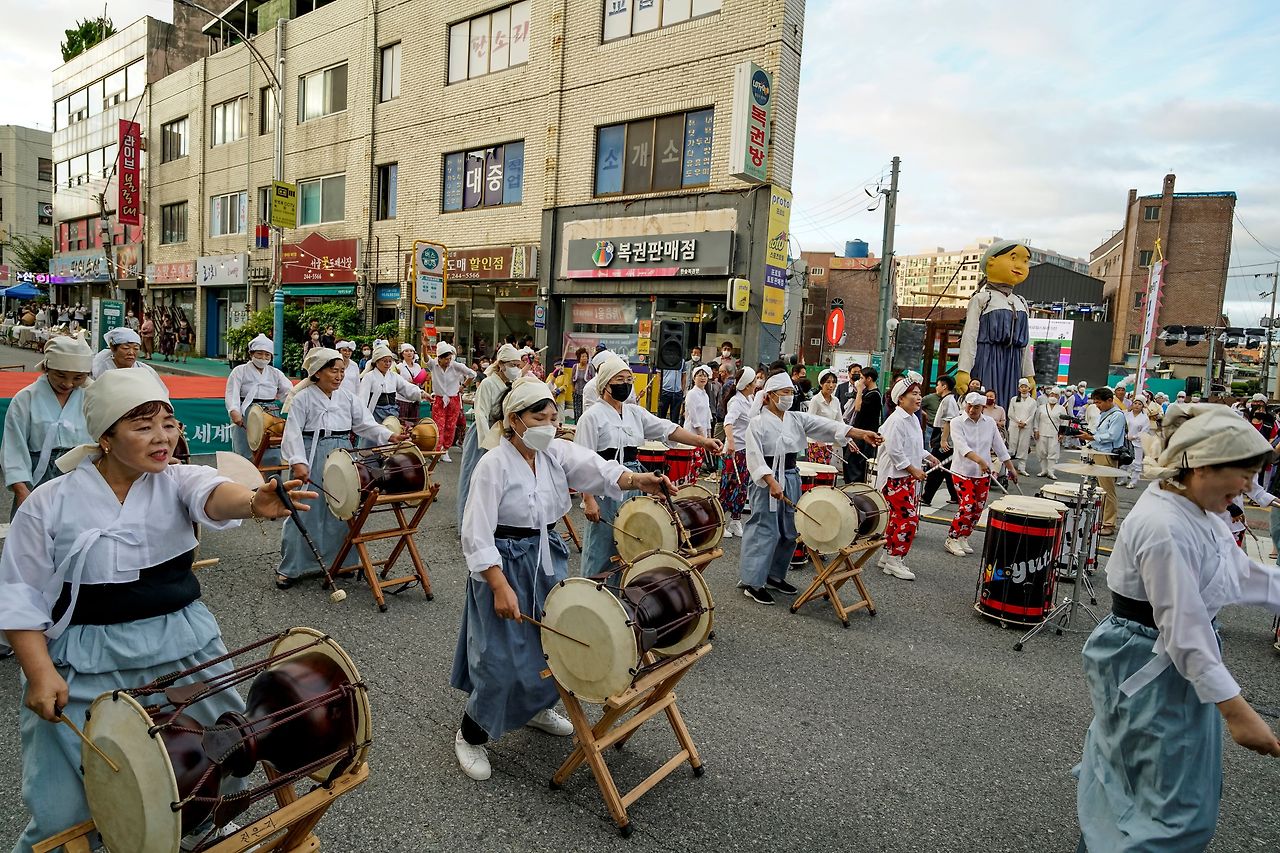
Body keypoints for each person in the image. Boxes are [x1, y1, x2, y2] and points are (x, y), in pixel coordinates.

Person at [0, 369, 314, 852]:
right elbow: (19, 593)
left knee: (222, 749)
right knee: (69, 801)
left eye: (169, 423)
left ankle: (197, 829)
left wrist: (254, 501)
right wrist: (39, 672)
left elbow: (213, 493)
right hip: (86, 654)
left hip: (182, 641)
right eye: (142, 426)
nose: (163, 437)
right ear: (105, 437)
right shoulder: (49, 502)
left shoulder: (177, 480)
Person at [1074, 403, 1280, 852]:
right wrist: (1238, 712)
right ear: (1202, 466)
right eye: (1243, 474)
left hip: (1169, 660)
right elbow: (1183, 627)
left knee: (1135, 781)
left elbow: (1240, 576)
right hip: (1148, 658)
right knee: (1170, 808)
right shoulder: (1164, 523)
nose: (1249, 487)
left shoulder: (1201, 512)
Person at [451, 378, 676, 781]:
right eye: (540, 417)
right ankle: (471, 733)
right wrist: (499, 585)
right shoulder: (493, 464)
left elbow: (595, 467)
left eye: (554, 417)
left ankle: (536, 708)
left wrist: (639, 480)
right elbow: (476, 532)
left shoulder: (553, 452)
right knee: (499, 657)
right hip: (503, 564)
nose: (550, 425)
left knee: (550, 643)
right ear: (513, 420)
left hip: (545, 555)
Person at [739, 373, 882, 604]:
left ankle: (775, 576)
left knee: (789, 530)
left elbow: (826, 426)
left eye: (790, 392)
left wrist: (860, 433)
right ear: (770, 396)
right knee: (765, 529)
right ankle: (753, 582)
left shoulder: (796, 419)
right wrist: (771, 481)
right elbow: (754, 457)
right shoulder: (757, 423)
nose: (788, 396)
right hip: (767, 480)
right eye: (783, 392)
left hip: (790, 475)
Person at [574, 355, 721, 578]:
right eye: (619, 379)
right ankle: (595, 593)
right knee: (603, 540)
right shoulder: (591, 417)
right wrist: (588, 500)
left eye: (628, 379)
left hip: (635, 483)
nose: (625, 384)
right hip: (604, 486)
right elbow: (582, 460)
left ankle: (622, 594)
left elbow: (668, 429)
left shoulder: (635, 413)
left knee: (632, 540)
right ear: (605, 384)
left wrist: (703, 442)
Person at [279, 348, 402, 589]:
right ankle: (291, 568)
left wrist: (389, 436)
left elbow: (366, 424)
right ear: (317, 373)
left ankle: (341, 562)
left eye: (341, 371)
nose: (339, 376)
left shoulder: (347, 397)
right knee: (306, 508)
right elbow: (292, 432)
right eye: (333, 371)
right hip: (312, 452)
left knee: (342, 507)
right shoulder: (302, 398)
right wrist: (298, 461)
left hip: (342, 453)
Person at [2, 336, 93, 515]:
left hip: (81, 472)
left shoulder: (91, 397)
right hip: (38, 474)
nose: (68, 384)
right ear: (46, 368)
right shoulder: (26, 398)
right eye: (60, 375)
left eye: (78, 377)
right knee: (32, 533)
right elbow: (14, 448)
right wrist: (21, 489)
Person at [876, 372, 939, 580]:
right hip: (895, 478)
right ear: (900, 398)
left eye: (920, 393)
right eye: (913, 393)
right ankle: (895, 559)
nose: (919, 397)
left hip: (904, 477)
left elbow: (913, 447)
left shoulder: (911, 418)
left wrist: (929, 456)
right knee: (908, 519)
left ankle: (887, 556)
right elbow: (895, 451)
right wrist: (913, 469)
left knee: (896, 519)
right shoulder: (897, 420)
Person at [457, 343, 526, 526]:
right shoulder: (488, 383)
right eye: (513, 365)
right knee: (474, 478)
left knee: (496, 482)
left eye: (518, 365)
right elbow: (481, 413)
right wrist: (487, 444)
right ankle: (467, 523)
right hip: (485, 432)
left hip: (501, 433)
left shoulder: (510, 384)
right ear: (501, 364)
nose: (516, 369)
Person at [943, 392, 1017, 556]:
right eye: (969, 406)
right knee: (967, 504)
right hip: (962, 471)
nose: (971, 410)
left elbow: (999, 446)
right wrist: (981, 461)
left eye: (976, 407)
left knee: (978, 508)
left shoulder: (989, 422)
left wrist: (1010, 468)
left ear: (983, 407)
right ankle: (952, 537)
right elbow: (962, 447)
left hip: (983, 474)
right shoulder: (957, 422)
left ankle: (964, 535)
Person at [225, 334, 293, 462]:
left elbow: (288, 393)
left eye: (267, 355)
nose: (263, 358)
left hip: (270, 412)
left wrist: (294, 408)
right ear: (251, 354)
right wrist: (234, 410)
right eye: (259, 354)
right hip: (247, 412)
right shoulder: (240, 371)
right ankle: (245, 479)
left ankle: (271, 479)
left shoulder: (275, 373)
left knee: (271, 450)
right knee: (244, 451)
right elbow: (231, 393)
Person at [1077, 387, 1126, 536]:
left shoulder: (1117, 415)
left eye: (1099, 402)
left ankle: (1109, 524)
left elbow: (1112, 435)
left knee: (1107, 491)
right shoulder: (1105, 414)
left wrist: (1092, 437)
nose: (1097, 405)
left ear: (1109, 400)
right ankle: (1101, 520)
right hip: (1098, 452)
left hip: (1107, 455)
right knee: (1099, 490)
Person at [719, 366, 756, 539]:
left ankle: (735, 520)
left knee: (742, 487)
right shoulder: (736, 401)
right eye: (754, 381)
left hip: (746, 450)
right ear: (747, 384)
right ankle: (720, 522)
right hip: (735, 451)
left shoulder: (750, 398)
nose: (756, 384)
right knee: (729, 485)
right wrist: (731, 442)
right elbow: (728, 422)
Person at [359, 343, 422, 445]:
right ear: (377, 361)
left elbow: (406, 387)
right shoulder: (369, 377)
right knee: (373, 442)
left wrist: (421, 394)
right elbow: (363, 399)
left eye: (390, 361)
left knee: (391, 442)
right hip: (375, 414)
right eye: (385, 361)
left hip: (392, 414)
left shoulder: (394, 376)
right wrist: (363, 417)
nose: (388, 364)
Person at [425, 341, 477, 463]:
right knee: (439, 425)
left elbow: (472, 374)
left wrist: (463, 385)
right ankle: (437, 450)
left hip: (453, 399)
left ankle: (445, 450)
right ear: (439, 358)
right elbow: (426, 358)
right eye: (446, 359)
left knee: (450, 425)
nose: (448, 361)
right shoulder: (433, 365)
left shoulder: (456, 366)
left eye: (450, 358)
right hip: (438, 399)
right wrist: (424, 346)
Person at [923, 376, 961, 506]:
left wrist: (943, 440)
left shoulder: (948, 400)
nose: (936, 388)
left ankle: (926, 497)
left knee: (936, 467)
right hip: (943, 436)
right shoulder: (947, 399)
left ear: (944, 386)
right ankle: (956, 495)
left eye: (938, 385)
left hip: (943, 437)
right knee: (947, 468)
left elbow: (948, 421)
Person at [843, 366, 882, 484]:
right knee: (850, 462)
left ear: (869, 379)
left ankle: (855, 488)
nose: (859, 381)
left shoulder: (874, 395)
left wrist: (859, 390)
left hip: (865, 436)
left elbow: (858, 407)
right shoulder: (869, 393)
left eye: (861, 378)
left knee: (855, 464)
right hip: (860, 433)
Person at [681, 365, 713, 483]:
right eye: (700, 375)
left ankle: (693, 482)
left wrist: (708, 432)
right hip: (693, 432)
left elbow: (707, 414)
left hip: (703, 433)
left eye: (704, 375)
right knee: (692, 460)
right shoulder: (691, 394)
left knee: (698, 462)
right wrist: (701, 432)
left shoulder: (705, 394)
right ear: (694, 378)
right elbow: (693, 415)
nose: (702, 378)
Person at [90, 326, 161, 381]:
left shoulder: (146, 371)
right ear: (112, 348)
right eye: (126, 348)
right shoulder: (101, 369)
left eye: (136, 348)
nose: (131, 353)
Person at [805, 368, 843, 466]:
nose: (831, 385)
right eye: (828, 382)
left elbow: (840, 422)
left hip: (829, 443)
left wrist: (850, 440)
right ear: (821, 384)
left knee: (827, 473)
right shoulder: (815, 400)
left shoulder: (836, 401)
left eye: (834, 382)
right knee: (817, 472)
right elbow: (809, 423)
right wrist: (818, 440)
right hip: (815, 444)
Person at [1032, 388, 1067, 479]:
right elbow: (1036, 420)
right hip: (1042, 432)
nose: (1053, 397)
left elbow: (1064, 422)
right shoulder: (1041, 408)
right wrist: (1036, 430)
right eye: (1052, 395)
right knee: (1042, 451)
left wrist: (1062, 433)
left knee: (1053, 452)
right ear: (1048, 396)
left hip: (1054, 433)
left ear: (1059, 397)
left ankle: (1051, 471)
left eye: (1056, 395)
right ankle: (1044, 470)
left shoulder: (1061, 408)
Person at [1006, 379, 1036, 476]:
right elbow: (1010, 413)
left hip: (1026, 427)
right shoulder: (1014, 399)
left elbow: (1032, 415)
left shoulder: (1032, 402)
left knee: (1023, 446)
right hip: (1015, 425)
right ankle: (1007, 468)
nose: (1024, 389)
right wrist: (1018, 421)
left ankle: (1021, 468)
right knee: (1011, 445)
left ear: (1029, 388)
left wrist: (1025, 423)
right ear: (1019, 388)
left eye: (1025, 387)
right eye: (1022, 387)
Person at [1123, 393, 1151, 488]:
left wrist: (1134, 436)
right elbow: (1122, 426)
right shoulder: (1126, 415)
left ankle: (1133, 481)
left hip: (1137, 442)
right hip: (1125, 441)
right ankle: (1123, 478)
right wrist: (1125, 435)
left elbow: (1145, 431)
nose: (1137, 406)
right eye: (1135, 403)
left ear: (1143, 406)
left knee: (1137, 462)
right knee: (1124, 460)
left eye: (1139, 404)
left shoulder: (1145, 418)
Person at [396, 343, 429, 421]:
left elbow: (420, 384)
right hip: (402, 400)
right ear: (402, 354)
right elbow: (397, 383)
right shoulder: (399, 367)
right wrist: (409, 383)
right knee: (403, 423)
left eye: (411, 351)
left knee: (414, 423)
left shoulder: (417, 366)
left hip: (415, 400)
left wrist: (424, 380)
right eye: (406, 351)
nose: (409, 353)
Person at [656, 355, 686, 422]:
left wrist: (682, 389)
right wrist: (659, 389)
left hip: (677, 392)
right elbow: (659, 374)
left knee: (675, 418)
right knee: (661, 417)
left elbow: (684, 375)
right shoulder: (663, 359)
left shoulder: (682, 361)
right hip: (665, 391)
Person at [570, 347, 593, 422]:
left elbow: (594, 379)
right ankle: (577, 426)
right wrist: (573, 389)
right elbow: (572, 379)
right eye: (583, 356)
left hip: (587, 394)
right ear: (579, 357)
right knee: (577, 412)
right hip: (577, 393)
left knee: (586, 412)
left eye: (586, 357)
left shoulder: (590, 367)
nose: (584, 358)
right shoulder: (575, 367)